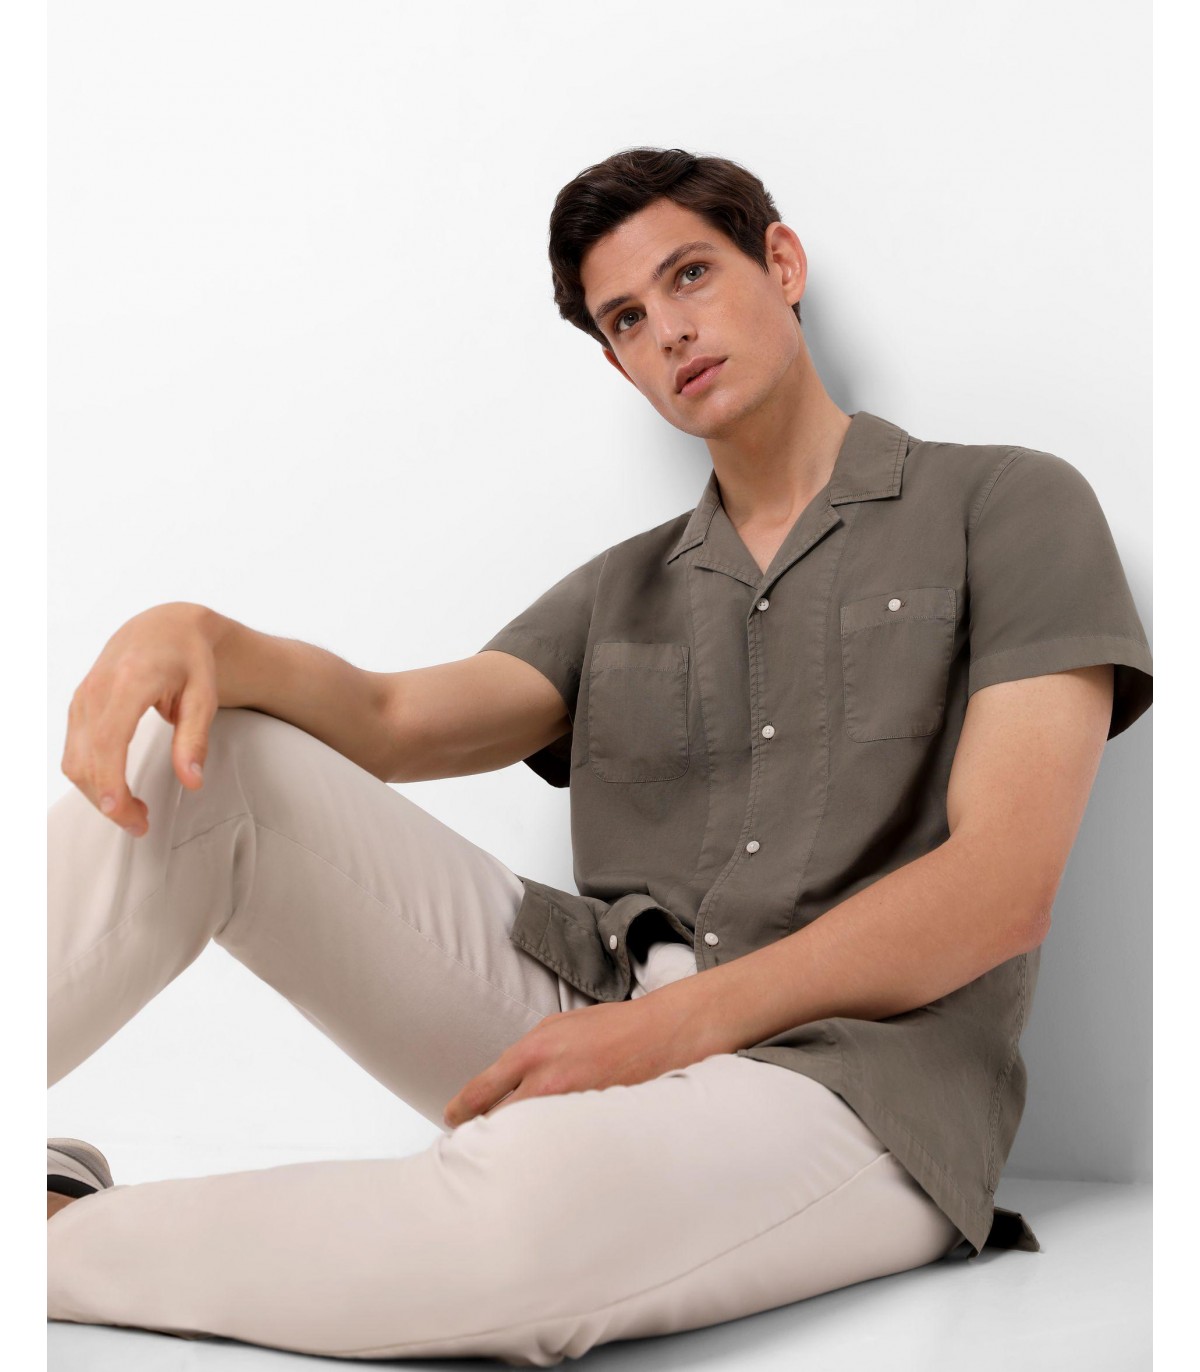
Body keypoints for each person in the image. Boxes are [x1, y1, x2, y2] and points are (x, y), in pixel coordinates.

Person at [47, 146, 1153, 1363]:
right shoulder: (622, 588)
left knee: (520, 1220)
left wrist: (675, 1035)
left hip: (855, 1085)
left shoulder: (1010, 504)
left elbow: (1004, 883)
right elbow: (388, 718)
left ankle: (48, 1234)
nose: (669, 329)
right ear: (618, 361)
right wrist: (192, 632)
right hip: (603, 1011)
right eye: (627, 318)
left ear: (783, 264)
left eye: (692, 275)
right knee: (222, 760)